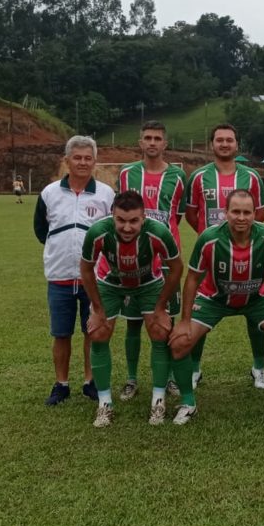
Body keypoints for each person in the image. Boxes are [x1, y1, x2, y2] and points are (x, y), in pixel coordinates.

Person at [167, 190, 264, 425]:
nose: (241, 217)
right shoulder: (209, 238)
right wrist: (185, 320)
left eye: (247, 212)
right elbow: (191, 279)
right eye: (236, 211)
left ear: (255, 214)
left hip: (256, 298)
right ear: (225, 213)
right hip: (215, 299)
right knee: (180, 342)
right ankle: (188, 403)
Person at [79, 190, 183, 428]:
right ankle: (104, 405)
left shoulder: (158, 233)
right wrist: (97, 308)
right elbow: (86, 269)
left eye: (133, 221)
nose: (127, 227)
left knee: (159, 331)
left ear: (143, 217)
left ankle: (158, 400)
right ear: (112, 215)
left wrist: (160, 307)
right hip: (111, 282)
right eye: (121, 220)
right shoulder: (98, 232)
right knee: (98, 333)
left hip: (148, 282)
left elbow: (176, 268)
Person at [185, 123, 264, 388]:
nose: (224, 144)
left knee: (256, 309)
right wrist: (211, 237)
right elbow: (191, 214)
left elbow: (262, 215)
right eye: (219, 140)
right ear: (212, 144)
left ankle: (259, 367)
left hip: (248, 253)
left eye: (229, 140)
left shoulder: (252, 177)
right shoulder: (198, 176)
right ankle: (195, 369)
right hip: (211, 257)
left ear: (237, 145)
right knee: (201, 310)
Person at [33, 136, 114, 406]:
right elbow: (41, 231)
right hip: (60, 276)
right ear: (67, 160)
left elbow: (112, 234)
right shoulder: (49, 193)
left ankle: (90, 381)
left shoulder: (105, 194)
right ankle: (61, 384)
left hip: (94, 279)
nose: (82, 162)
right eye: (77, 157)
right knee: (61, 333)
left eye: (87, 158)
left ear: (94, 161)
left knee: (93, 331)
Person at [116, 121, 189, 401]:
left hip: (166, 260)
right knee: (133, 321)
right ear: (140, 142)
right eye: (147, 137)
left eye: (157, 138)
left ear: (165, 143)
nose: (152, 142)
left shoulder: (178, 177)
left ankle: (169, 378)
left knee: (166, 321)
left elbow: (177, 216)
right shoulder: (126, 174)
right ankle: (132, 379)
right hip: (131, 258)